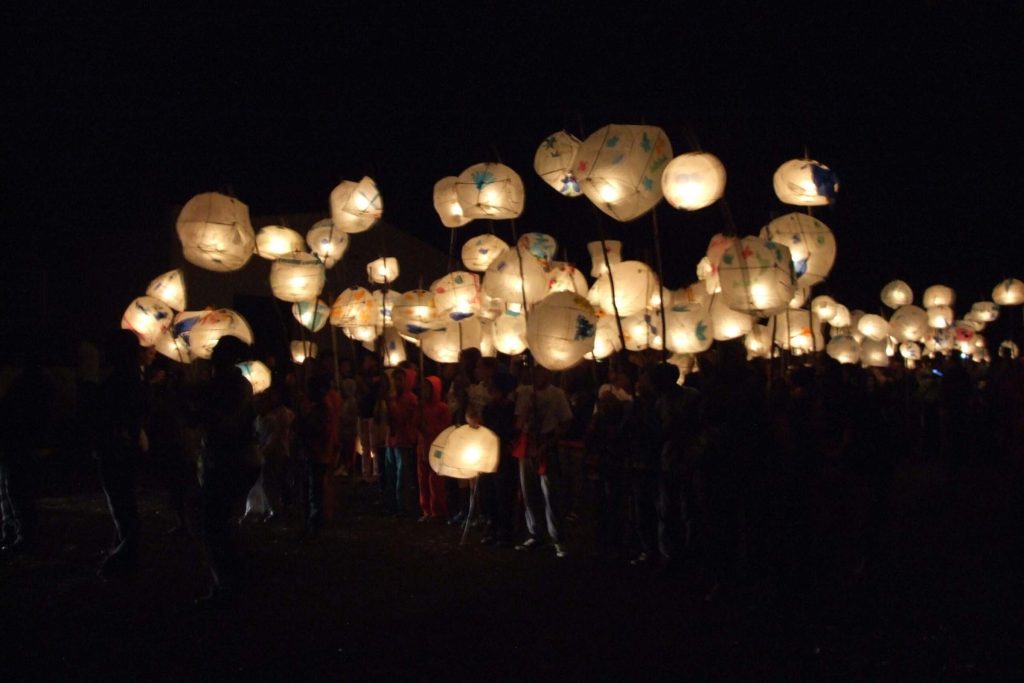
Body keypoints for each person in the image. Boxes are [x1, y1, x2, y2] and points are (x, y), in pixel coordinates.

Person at [191, 336, 258, 606]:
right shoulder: (220, 384)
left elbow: (226, 423)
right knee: (219, 524)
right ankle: (232, 581)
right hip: (230, 459)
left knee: (214, 524)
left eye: (219, 350)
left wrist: (203, 412)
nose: (213, 352)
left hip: (231, 460)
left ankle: (228, 584)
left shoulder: (233, 385)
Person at [94, 331, 149, 579]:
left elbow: (116, 414)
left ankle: (123, 558)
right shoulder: (131, 377)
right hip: (121, 448)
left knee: (122, 505)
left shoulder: (121, 379)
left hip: (116, 449)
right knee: (122, 503)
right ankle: (121, 553)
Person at [514, 365, 572, 557]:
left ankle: (558, 538)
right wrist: (528, 409)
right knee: (529, 493)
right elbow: (518, 423)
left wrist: (548, 444)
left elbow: (565, 422)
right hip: (528, 443)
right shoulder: (524, 392)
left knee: (551, 494)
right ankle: (536, 533)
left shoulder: (557, 394)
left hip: (546, 444)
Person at [416, 375, 451, 521]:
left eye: (427, 388)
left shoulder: (442, 407)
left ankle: (438, 510)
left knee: (435, 479)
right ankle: (426, 509)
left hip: (436, 447)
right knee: (423, 478)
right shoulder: (421, 406)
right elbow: (415, 423)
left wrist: (428, 429)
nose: (424, 391)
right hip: (422, 445)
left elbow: (445, 428)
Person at [385, 367, 419, 515]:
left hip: (404, 440)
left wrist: (391, 404)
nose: (396, 382)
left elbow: (401, 417)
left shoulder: (410, 399)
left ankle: (403, 506)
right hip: (392, 441)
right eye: (395, 379)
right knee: (391, 474)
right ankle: (393, 504)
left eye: (400, 379)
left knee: (402, 476)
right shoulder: (393, 397)